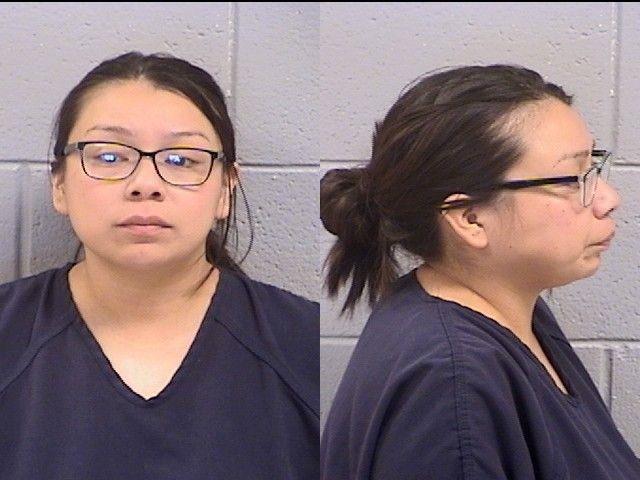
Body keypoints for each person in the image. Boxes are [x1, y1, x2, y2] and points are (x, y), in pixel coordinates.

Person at [0, 52, 318, 479]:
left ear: (226, 188)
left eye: (181, 160)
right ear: (59, 184)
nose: (145, 184)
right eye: (109, 157)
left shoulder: (302, 345)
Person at [320, 65, 640, 479]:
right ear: (470, 218)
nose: (608, 198)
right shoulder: (452, 387)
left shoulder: (514, 313)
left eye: (593, 166)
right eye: (572, 179)